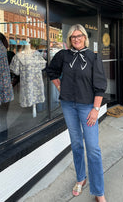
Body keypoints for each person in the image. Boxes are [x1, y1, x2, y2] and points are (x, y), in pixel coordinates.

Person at [46, 24, 107, 202]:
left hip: (87, 107)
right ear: (69, 40)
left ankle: (98, 191)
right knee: (76, 144)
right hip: (68, 106)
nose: (76, 39)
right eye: (73, 37)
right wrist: (60, 87)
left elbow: (100, 86)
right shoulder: (63, 55)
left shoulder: (93, 57)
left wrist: (96, 110)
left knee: (93, 148)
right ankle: (81, 178)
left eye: (79, 36)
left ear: (85, 37)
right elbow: (51, 71)